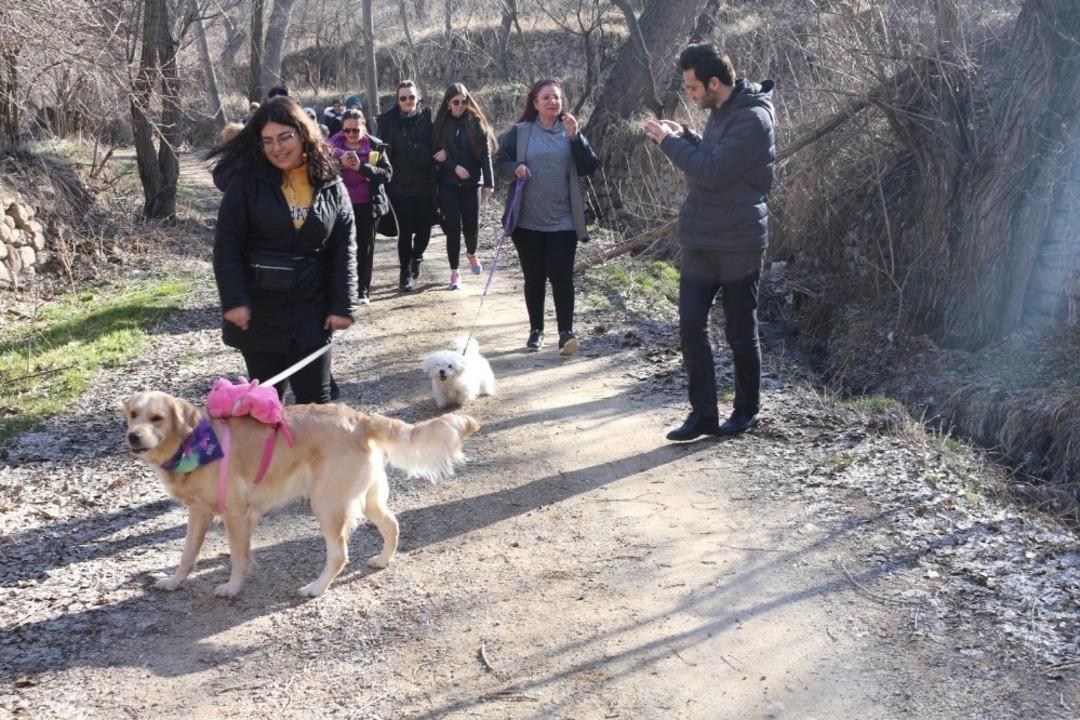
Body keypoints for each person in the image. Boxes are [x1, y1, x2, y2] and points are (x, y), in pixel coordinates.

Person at [645, 44, 775, 440]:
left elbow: (714, 171)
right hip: (702, 240)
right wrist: (687, 135)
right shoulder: (722, 111)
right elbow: (714, 153)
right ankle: (703, 414)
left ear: (714, 83)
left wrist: (669, 143)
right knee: (690, 326)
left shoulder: (753, 118)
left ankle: (746, 410)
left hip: (738, 242)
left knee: (739, 331)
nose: (690, 94)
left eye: (692, 88)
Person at [209, 96, 357, 404]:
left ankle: (312, 455)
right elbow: (227, 247)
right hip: (260, 311)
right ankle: (273, 455)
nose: (277, 148)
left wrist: (343, 304)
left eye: (285, 137)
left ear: (303, 133)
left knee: (316, 403)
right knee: (264, 404)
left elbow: (344, 248)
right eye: (268, 141)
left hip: (312, 310)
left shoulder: (330, 182)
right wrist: (235, 300)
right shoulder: (245, 183)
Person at [494, 79, 600, 356]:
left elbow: (590, 165)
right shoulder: (520, 132)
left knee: (562, 275)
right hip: (527, 220)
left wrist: (576, 137)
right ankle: (536, 330)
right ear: (535, 103)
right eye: (546, 97)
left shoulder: (569, 130)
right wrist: (515, 167)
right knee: (534, 276)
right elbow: (499, 163)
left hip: (563, 219)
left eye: (556, 97)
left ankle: (566, 332)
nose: (553, 101)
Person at [432, 82, 495, 290]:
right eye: (456, 102)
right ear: (448, 103)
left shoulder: (476, 122)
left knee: (471, 226)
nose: (460, 105)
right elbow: (436, 156)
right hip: (448, 183)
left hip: (472, 184)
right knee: (452, 228)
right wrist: (452, 165)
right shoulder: (440, 125)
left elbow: (485, 154)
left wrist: (489, 182)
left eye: (464, 101)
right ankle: (455, 273)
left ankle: (472, 252)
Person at [328, 107, 392, 304]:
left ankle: (362, 290)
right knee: (342, 248)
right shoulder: (330, 146)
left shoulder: (375, 145)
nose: (351, 135)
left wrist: (360, 167)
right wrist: (339, 164)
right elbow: (319, 172)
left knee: (365, 248)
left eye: (356, 130)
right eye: (347, 130)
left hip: (367, 203)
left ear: (363, 126)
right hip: (340, 204)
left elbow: (387, 174)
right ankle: (343, 289)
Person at [377, 80, 436, 292]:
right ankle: (404, 274)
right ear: (397, 100)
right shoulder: (387, 122)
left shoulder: (427, 120)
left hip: (425, 183)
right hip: (398, 185)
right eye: (403, 98)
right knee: (405, 231)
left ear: (417, 98)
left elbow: (437, 145)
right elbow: (380, 150)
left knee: (424, 230)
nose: (408, 101)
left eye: (411, 97)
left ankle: (417, 256)